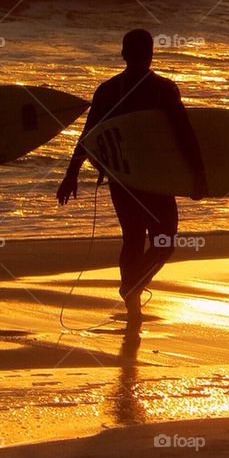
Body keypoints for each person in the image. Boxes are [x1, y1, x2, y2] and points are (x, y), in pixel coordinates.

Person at [57, 29, 207, 326]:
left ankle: (132, 296)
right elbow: (183, 134)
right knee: (163, 241)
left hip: (122, 177)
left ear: (124, 53)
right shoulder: (162, 89)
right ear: (146, 54)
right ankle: (132, 290)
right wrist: (198, 173)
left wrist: (71, 173)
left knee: (135, 238)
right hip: (152, 178)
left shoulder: (109, 89)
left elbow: (89, 136)